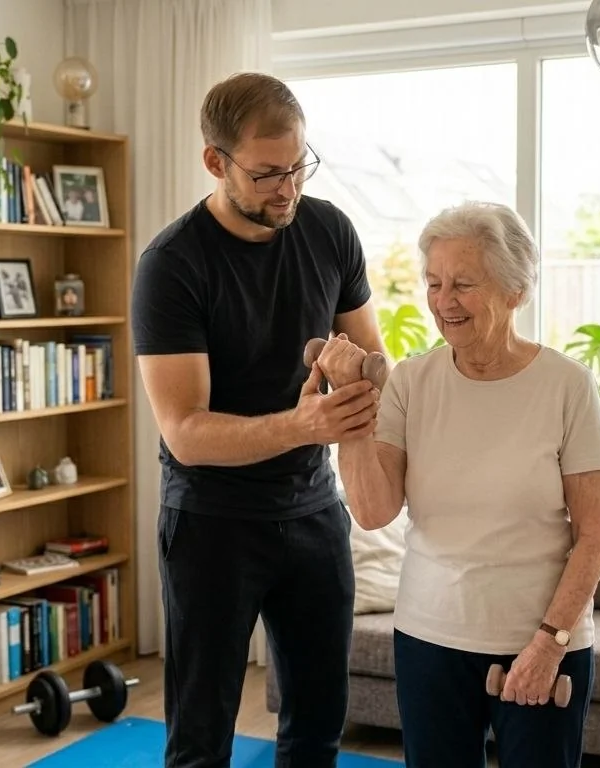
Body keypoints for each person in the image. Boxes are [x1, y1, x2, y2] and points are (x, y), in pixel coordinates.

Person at [130, 71, 388, 768]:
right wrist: (303, 424)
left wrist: (358, 371)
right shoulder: (173, 266)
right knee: (200, 738)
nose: (288, 188)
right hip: (211, 523)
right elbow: (186, 430)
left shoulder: (330, 230)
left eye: (299, 165)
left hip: (313, 511)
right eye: (268, 173)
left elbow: (373, 358)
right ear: (216, 162)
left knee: (317, 728)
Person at [324, 201, 600, 768]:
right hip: (428, 638)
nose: (443, 301)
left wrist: (548, 644)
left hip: (541, 642)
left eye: (463, 284)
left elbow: (595, 536)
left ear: (515, 290)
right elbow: (373, 510)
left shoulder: (567, 386)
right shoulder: (410, 381)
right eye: (434, 283)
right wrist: (350, 409)